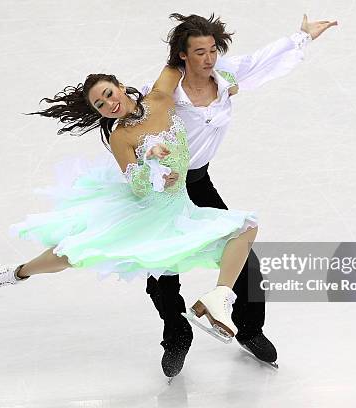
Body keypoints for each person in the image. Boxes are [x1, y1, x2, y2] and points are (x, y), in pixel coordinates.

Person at [0, 66, 259, 353]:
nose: (110, 104)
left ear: (120, 85)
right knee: (74, 252)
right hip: (148, 212)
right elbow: (138, 184)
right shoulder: (121, 136)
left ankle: (219, 296)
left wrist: (223, 83)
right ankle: (19, 272)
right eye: (101, 104)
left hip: (179, 208)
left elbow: (185, 61)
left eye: (109, 94)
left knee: (246, 228)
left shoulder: (159, 96)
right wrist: (155, 168)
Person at [141, 13, 338, 376]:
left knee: (243, 252)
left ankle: (250, 329)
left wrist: (301, 38)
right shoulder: (170, 89)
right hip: (164, 189)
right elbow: (142, 117)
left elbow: (259, 60)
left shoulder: (225, 75)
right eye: (199, 52)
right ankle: (176, 333)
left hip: (198, 182)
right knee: (163, 267)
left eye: (212, 49)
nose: (208, 58)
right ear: (182, 55)